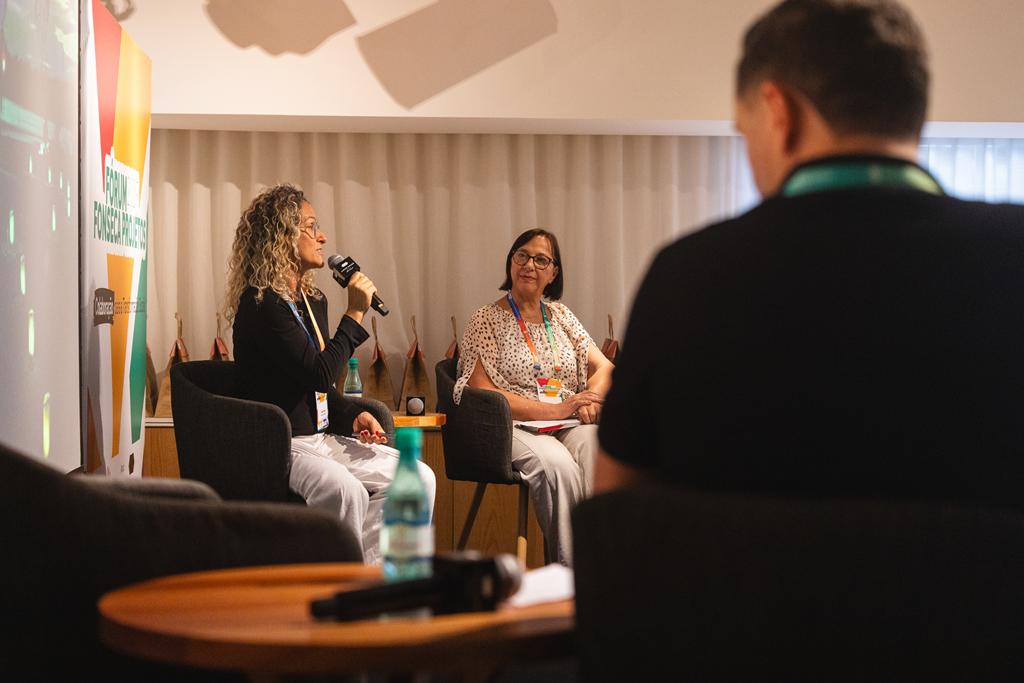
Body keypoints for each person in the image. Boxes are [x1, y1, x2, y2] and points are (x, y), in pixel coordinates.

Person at [596, 0, 1024, 505]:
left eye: (745, 131)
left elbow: (615, 512)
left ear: (781, 112)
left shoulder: (685, 277)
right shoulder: (1010, 260)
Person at [226, 183, 435, 563]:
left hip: (321, 438)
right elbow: (319, 374)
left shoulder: (312, 300)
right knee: (345, 490)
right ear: (282, 236)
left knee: (417, 479)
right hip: (281, 444)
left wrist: (352, 414)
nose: (322, 237)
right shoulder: (262, 305)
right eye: (311, 226)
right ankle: (338, 583)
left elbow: (316, 387)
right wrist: (355, 313)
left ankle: (381, 577)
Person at [455, 229, 614, 565]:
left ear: (553, 273)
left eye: (541, 260)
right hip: (512, 425)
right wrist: (555, 409)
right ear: (511, 263)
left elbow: (605, 368)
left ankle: (606, 564)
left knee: (598, 448)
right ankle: (571, 574)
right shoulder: (486, 318)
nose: (529, 265)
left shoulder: (562, 316)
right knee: (557, 466)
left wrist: (589, 399)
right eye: (522, 256)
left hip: (566, 420)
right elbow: (481, 389)